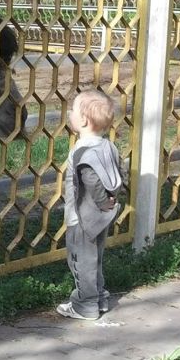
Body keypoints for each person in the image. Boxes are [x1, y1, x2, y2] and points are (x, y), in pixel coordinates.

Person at [57, 90, 124, 321]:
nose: (70, 113)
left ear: (83, 120)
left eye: (73, 110)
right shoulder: (108, 146)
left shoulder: (83, 150)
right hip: (102, 217)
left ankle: (85, 305)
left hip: (82, 218)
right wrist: (112, 198)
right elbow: (119, 171)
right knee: (95, 258)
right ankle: (100, 298)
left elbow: (91, 179)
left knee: (80, 261)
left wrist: (102, 200)